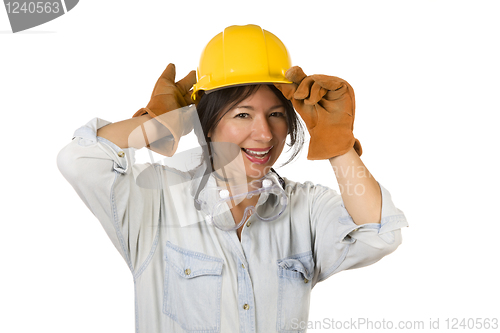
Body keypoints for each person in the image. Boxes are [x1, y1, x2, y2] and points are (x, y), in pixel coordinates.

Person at [57, 24, 408, 333]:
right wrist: (162, 122)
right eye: (243, 114)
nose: (265, 133)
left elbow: (381, 234)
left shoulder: (307, 209)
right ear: (207, 123)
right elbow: (78, 158)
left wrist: (337, 143)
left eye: (275, 114)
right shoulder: (156, 204)